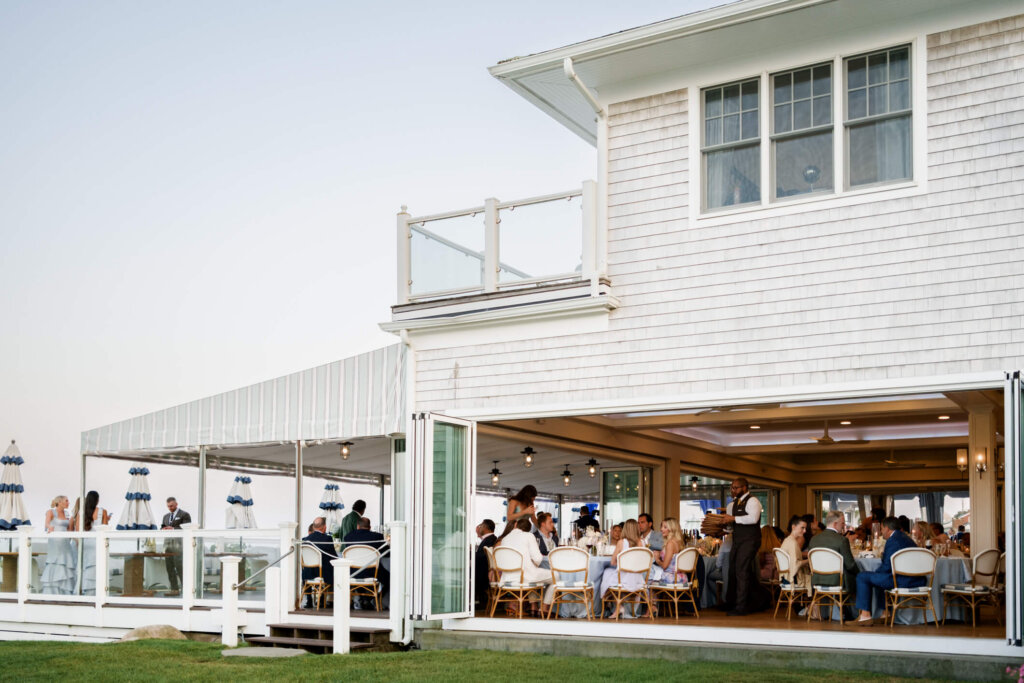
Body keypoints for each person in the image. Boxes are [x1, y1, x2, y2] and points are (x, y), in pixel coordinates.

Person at [854, 516, 923, 626]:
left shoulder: (893, 540)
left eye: (882, 528)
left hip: (901, 580)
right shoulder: (907, 538)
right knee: (879, 578)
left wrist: (874, 574)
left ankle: (865, 616)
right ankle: (885, 613)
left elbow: (887, 566)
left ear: (887, 528)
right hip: (916, 579)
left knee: (862, 576)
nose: (881, 532)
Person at [721, 477, 770, 616]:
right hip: (737, 540)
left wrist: (733, 519)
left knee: (741, 570)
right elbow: (733, 526)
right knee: (733, 570)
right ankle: (734, 602)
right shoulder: (733, 504)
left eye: (736, 487)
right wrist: (725, 527)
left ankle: (741, 606)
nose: (733, 490)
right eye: (732, 487)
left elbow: (753, 519)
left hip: (750, 540)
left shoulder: (753, 501)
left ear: (744, 487)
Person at [807, 510, 859, 618]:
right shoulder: (842, 540)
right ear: (835, 524)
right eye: (843, 523)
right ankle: (856, 613)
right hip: (837, 581)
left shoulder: (814, 540)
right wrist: (859, 572)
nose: (844, 526)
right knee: (861, 578)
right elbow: (850, 565)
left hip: (817, 580)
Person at [497, 517, 549, 616]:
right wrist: (533, 565)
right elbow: (538, 559)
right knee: (555, 576)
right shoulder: (529, 536)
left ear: (516, 525)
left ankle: (534, 606)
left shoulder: (505, 539)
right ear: (528, 530)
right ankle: (544, 608)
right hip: (523, 577)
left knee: (533, 576)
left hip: (507, 579)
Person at [600, 518, 645, 618]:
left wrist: (625, 564)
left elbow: (612, 562)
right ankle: (618, 607)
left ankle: (616, 606)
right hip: (639, 579)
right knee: (611, 576)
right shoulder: (643, 542)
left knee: (607, 573)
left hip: (624, 579)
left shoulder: (622, 542)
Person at [344, 517, 390, 604]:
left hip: (353, 572)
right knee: (391, 579)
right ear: (369, 527)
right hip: (372, 572)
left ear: (357, 526)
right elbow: (387, 554)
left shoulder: (348, 537)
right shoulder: (377, 537)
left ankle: (362, 598)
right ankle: (376, 598)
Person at [41, 495, 76, 595]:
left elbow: (69, 529)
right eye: (66, 501)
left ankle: (64, 591)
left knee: (66, 561)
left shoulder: (67, 513)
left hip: (65, 541)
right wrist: (50, 527)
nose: (68, 503)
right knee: (55, 561)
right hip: (55, 541)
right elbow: (46, 524)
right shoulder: (51, 512)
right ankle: (51, 591)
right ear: (59, 502)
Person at [302, 517, 338, 607]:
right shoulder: (327, 539)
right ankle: (326, 599)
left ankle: (309, 600)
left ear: (313, 527)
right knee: (336, 569)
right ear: (324, 527)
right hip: (322, 573)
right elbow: (333, 557)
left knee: (308, 569)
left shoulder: (305, 540)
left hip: (307, 573)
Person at [160, 496, 190, 596]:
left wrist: (173, 529)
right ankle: (174, 589)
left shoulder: (184, 515)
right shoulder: (165, 516)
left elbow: (187, 528)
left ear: (176, 504)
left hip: (179, 545)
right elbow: (162, 527)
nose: (170, 508)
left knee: (180, 567)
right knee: (169, 567)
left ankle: (186, 589)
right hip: (168, 544)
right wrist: (163, 529)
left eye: (172, 506)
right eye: (168, 506)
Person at [781, 515, 810, 596]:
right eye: (802, 528)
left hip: (785, 578)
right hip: (791, 579)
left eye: (805, 528)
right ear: (793, 527)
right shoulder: (792, 543)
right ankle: (812, 607)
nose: (804, 531)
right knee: (817, 582)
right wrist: (810, 560)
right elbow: (795, 565)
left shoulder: (787, 540)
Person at [651, 517, 684, 584]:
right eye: (662, 527)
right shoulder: (678, 542)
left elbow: (664, 566)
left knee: (649, 578)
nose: (661, 529)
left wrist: (657, 559)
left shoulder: (670, 543)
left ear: (672, 529)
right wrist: (661, 553)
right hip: (682, 577)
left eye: (665, 527)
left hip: (671, 578)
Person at [474, 519, 497, 611]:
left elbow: (482, 558)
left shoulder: (490, 540)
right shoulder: (489, 539)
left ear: (486, 527)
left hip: (483, 573)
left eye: (481, 525)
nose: (479, 527)